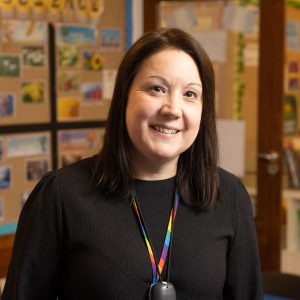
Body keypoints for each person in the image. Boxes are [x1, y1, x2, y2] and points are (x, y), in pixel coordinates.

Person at [3, 28, 263, 299]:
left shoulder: (229, 195)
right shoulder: (60, 195)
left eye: (190, 94)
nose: (172, 109)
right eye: (156, 88)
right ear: (124, 96)